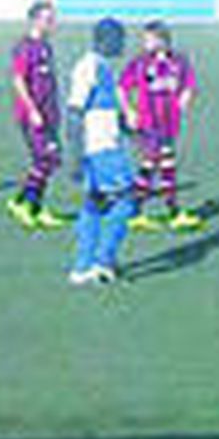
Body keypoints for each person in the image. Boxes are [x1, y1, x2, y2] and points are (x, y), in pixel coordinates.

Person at [67, 18, 136, 286]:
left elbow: (105, 112)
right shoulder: (88, 67)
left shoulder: (103, 67)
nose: (123, 44)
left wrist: (131, 133)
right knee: (126, 200)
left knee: (94, 203)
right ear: (105, 39)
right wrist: (74, 157)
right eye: (120, 39)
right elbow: (74, 112)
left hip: (105, 144)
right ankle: (103, 262)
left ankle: (82, 266)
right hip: (101, 148)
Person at [119, 20, 202, 232]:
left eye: (149, 39)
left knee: (160, 163)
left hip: (170, 121)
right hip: (149, 121)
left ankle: (138, 211)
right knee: (157, 162)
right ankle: (163, 212)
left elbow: (190, 84)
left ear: (162, 40)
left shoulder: (179, 62)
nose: (145, 43)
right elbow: (122, 87)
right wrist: (129, 110)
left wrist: (185, 96)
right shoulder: (141, 63)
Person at [7, 0, 66, 230]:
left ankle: (28, 203)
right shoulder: (25, 47)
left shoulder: (46, 46)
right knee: (46, 159)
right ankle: (27, 205)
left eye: (53, 19)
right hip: (33, 114)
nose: (52, 23)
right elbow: (18, 80)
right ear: (34, 20)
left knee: (50, 159)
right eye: (47, 19)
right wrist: (32, 110)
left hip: (49, 112)